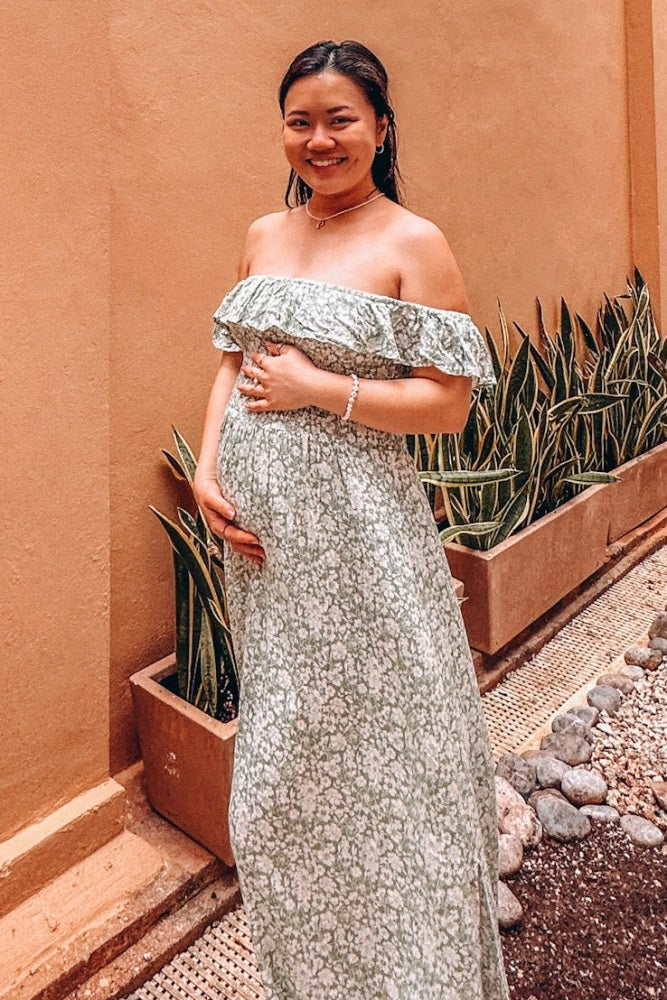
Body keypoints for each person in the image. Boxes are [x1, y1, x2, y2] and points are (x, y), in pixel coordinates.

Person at [193, 38, 510, 1000]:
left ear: (380, 126)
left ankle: (420, 973)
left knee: (391, 749)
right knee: (286, 766)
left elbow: (448, 403)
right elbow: (231, 360)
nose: (319, 140)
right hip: (269, 555)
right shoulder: (263, 234)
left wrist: (317, 389)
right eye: (300, 121)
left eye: (340, 119)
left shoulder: (413, 242)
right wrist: (207, 472)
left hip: (365, 545)